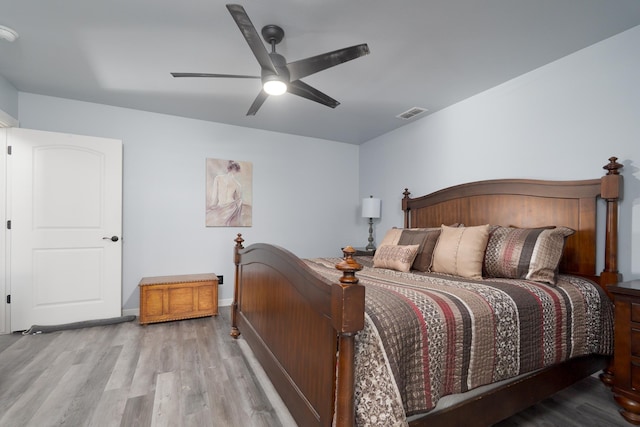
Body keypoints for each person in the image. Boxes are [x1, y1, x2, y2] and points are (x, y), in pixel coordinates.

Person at [208, 160, 243, 226]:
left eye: (235, 169)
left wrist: (213, 204)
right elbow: (214, 194)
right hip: (223, 206)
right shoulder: (218, 178)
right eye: (233, 168)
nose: (234, 170)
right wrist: (213, 204)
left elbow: (239, 199)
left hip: (230, 208)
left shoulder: (237, 184)